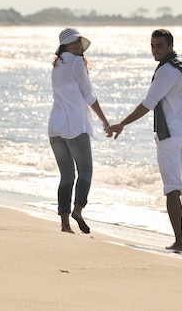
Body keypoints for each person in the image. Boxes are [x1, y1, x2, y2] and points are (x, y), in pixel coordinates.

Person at [108, 29, 182, 252]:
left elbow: (148, 103)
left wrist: (123, 123)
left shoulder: (166, 71)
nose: (155, 50)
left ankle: (179, 241)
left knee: (172, 188)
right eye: (153, 46)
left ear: (170, 46)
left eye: (160, 46)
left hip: (170, 136)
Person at [48, 28, 110, 234]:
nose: (77, 45)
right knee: (85, 171)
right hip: (75, 126)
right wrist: (105, 121)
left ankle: (65, 225)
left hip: (56, 127)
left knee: (66, 176)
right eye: (73, 42)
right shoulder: (75, 62)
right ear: (64, 45)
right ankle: (78, 210)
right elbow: (89, 95)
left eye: (79, 42)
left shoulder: (57, 64)